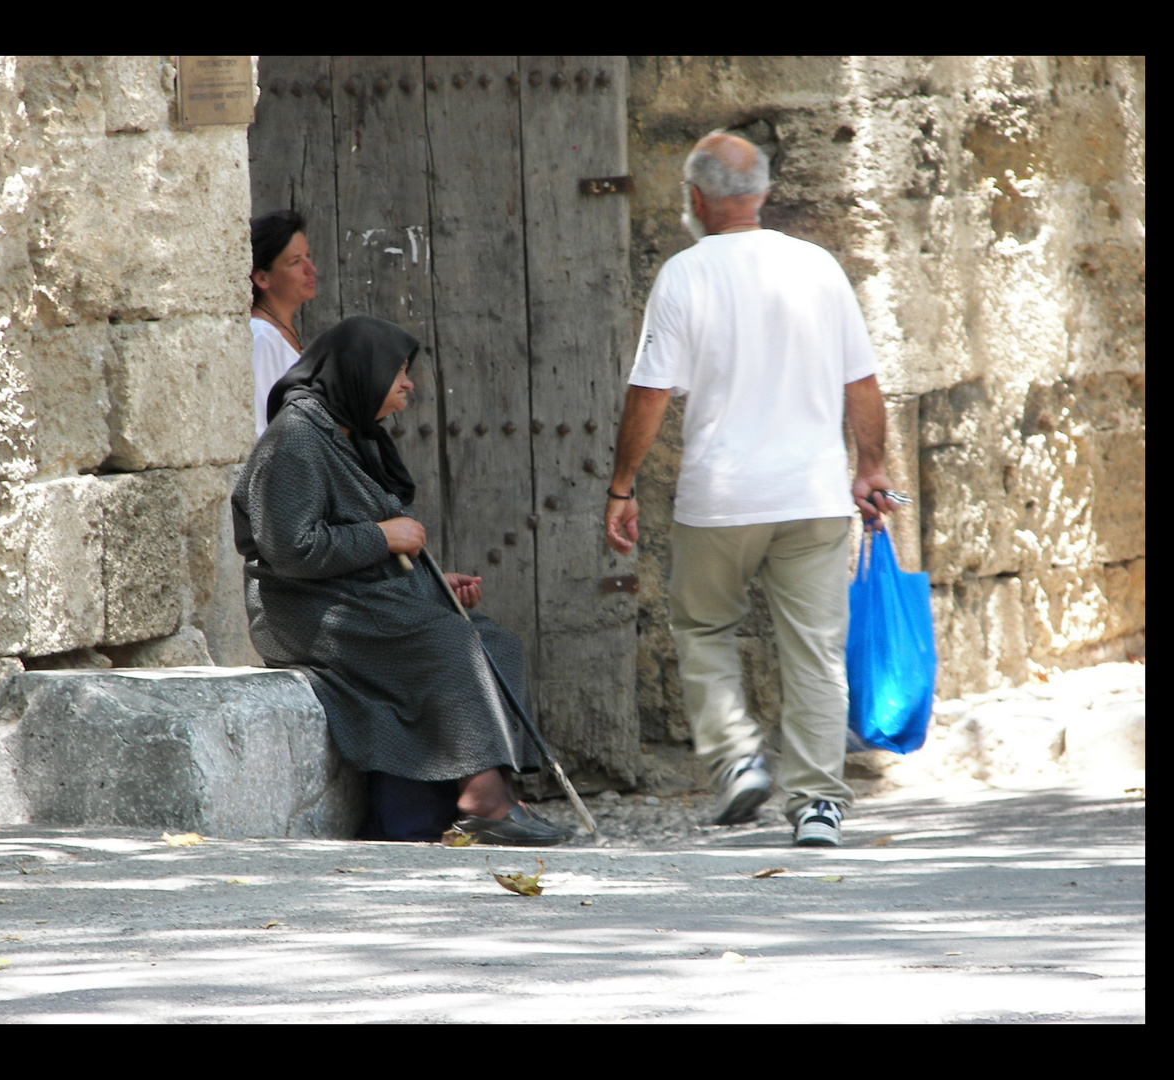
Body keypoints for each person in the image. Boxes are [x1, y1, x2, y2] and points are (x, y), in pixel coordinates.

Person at [603, 132, 900, 849]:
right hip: (813, 496)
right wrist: (870, 468)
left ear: (697, 199)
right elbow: (859, 382)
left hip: (722, 497)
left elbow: (648, 394)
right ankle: (817, 807)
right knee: (814, 651)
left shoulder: (683, 274)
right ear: (762, 193)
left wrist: (620, 485)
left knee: (703, 629)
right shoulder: (819, 268)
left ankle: (736, 758)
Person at [231, 315, 571, 846]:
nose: (408, 383)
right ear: (361, 373)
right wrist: (384, 537)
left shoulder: (353, 437)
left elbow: (361, 541)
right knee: (449, 641)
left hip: (355, 595)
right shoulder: (294, 440)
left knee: (495, 641)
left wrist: (433, 584)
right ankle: (481, 800)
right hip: (303, 609)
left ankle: (498, 788)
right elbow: (292, 551)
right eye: (399, 371)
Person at [249, 210, 317, 439]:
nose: (311, 269)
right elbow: (260, 428)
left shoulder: (285, 333)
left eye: (308, 256)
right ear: (262, 278)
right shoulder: (262, 338)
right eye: (296, 262)